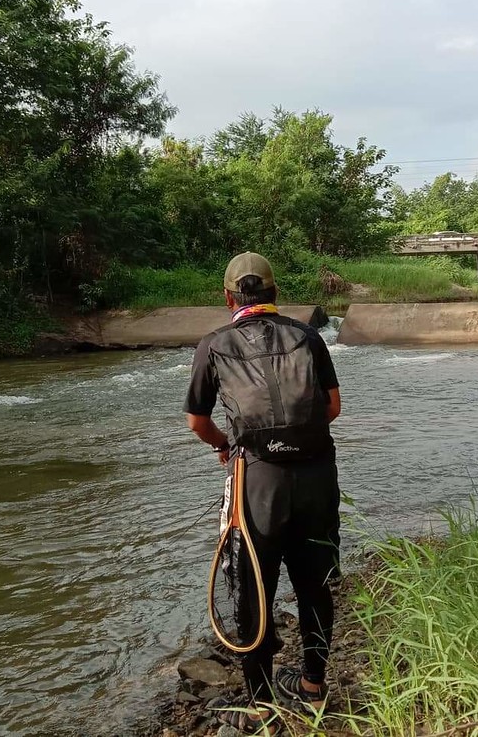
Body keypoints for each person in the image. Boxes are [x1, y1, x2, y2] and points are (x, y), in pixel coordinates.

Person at [184, 251, 342, 734]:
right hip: (316, 474)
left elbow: (197, 421)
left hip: (258, 479)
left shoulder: (214, 344)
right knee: (314, 579)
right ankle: (314, 686)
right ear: (274, 294)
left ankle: (261, 704)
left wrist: (226, 447)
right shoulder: (308, 336)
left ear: (229, 296)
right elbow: (332, 407)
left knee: (254, 583)